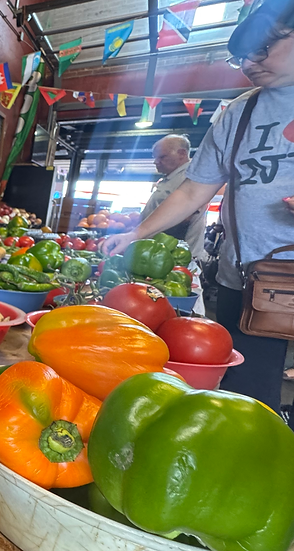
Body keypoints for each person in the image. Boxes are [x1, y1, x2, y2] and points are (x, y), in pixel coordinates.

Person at [102, 0, 294, 423]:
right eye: (240, 55)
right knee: (248, 399)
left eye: (262, 49)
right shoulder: (240, 112)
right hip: (246, 284)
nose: (248, 63)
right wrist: (137, 233)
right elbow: (193, 191)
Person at [144, 135, 207, 258]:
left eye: (162, 157)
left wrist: (142, 234)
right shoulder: (172, 178)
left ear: (182, 154)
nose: (156, 162)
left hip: (174, 255)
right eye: (155, 157)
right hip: (159, 251)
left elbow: (185, 218)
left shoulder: (189, 177)